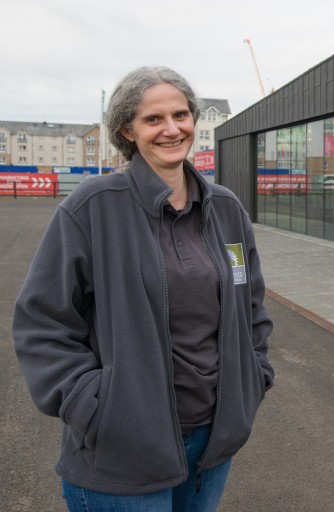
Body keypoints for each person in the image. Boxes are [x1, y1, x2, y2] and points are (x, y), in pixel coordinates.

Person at [12, 66, 274, 511]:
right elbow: (42, 321)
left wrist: (254, 376)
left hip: (211, 448)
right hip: (121, 455)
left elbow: (251, 306)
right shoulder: (92, 208)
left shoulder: (227, 210)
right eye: (154, 119)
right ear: (127, 131)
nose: (172, 129)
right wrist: (94, 407)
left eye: (181, 114)